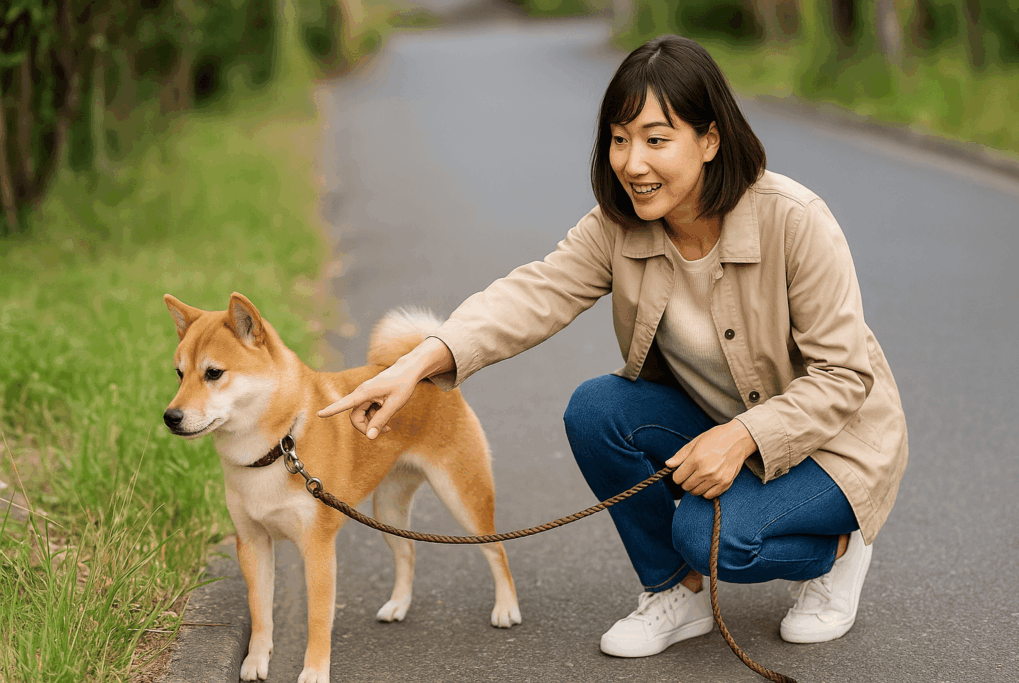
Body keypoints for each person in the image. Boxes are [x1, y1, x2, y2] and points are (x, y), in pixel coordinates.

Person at [318, 34, 908, 657]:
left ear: (710, 140)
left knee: (713, 536)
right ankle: (675, 593)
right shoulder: (617, 227)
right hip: (719, 421)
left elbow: (844, 376)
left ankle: (839, 549)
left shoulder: (794, 220)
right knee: (597, 410)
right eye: (620, 139)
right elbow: (533, 294)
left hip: (834, 445)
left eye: (657, 139)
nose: (633, 162)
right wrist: (415, 365)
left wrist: (744, 438)